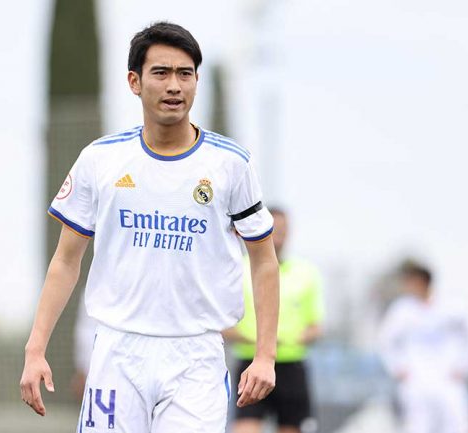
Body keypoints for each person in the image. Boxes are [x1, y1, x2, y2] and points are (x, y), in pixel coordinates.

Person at [19, 21, 280, 433]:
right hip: (118, 353)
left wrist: (265, 355)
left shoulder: (231, 164)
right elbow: (66, 261)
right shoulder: (100, 160)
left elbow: (264, 261)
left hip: (196, 358)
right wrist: (35, 349)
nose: (174, 85)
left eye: (185, 74)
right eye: (161, 73)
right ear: (134, 82)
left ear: (196, 82)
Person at [224, 208, 324, 433]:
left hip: (291, 366)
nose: (278, 235)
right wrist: (258, 341)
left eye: (283, 230)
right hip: (250, 362)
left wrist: (291, 340)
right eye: (274, 229)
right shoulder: (238, 268)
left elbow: (316, 327)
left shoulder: (306, 273)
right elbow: (222, 325)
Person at [378, 262, 468, 433]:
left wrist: (464, 365)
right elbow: (385, 341)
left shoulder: (452, 307)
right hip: (416, 379)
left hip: (448, 377)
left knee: (459, 424)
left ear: (423, 282)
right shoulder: (402, 310)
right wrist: (397, 367)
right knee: (418, 425)